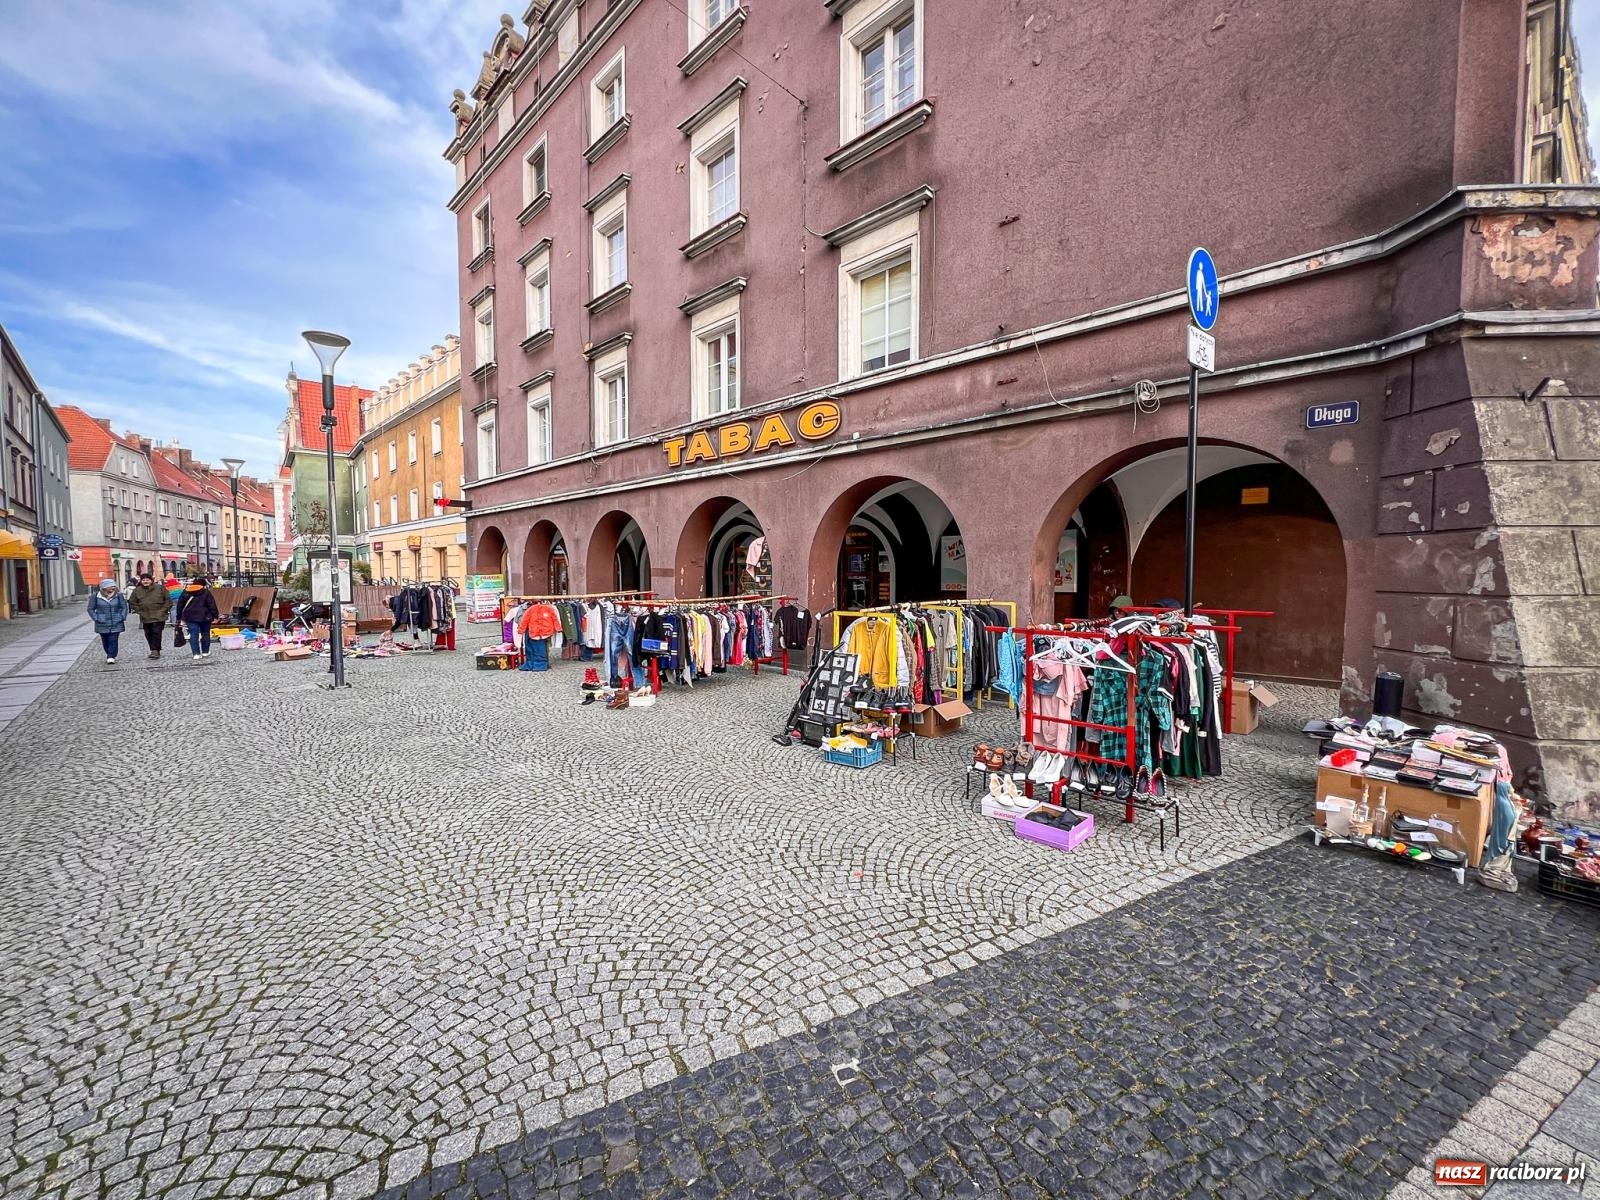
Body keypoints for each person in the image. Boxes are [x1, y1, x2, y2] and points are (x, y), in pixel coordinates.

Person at [128, 572, 172, 659]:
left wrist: (163, 610)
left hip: (159, 615)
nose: (145, 581)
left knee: (156, 632)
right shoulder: (137, 590)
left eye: (147, 580)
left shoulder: (160, 588)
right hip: (145, 615)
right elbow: (132, 602)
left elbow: (168, 600)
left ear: (151, 580)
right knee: (148, 633)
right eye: (143, 580)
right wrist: (139, 611)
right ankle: (153, 649)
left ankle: (155, 650)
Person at [177, 575, 221, 659]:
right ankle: (205, 652)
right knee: (205, 634)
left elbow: (180, 606)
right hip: (205, 616)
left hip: (190, 617)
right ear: (203, 585)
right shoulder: (205, 592)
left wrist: (178, 617)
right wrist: (215, 616)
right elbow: (211, 605)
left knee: (193, 635)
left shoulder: (185, 592)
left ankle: (196, 654)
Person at [87, 578, 129, 664]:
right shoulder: (96, 596)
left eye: (114, 586)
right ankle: (109, 652)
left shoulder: (119, 595)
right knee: (105, 639)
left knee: (113, 638)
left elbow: (124, 607)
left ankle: (111, 655)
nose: (112, 588)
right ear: (103, 588)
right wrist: (96, 618)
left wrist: (122, 616)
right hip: (102, 622)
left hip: (116, 621)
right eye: (110, 586)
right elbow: (90, 609)